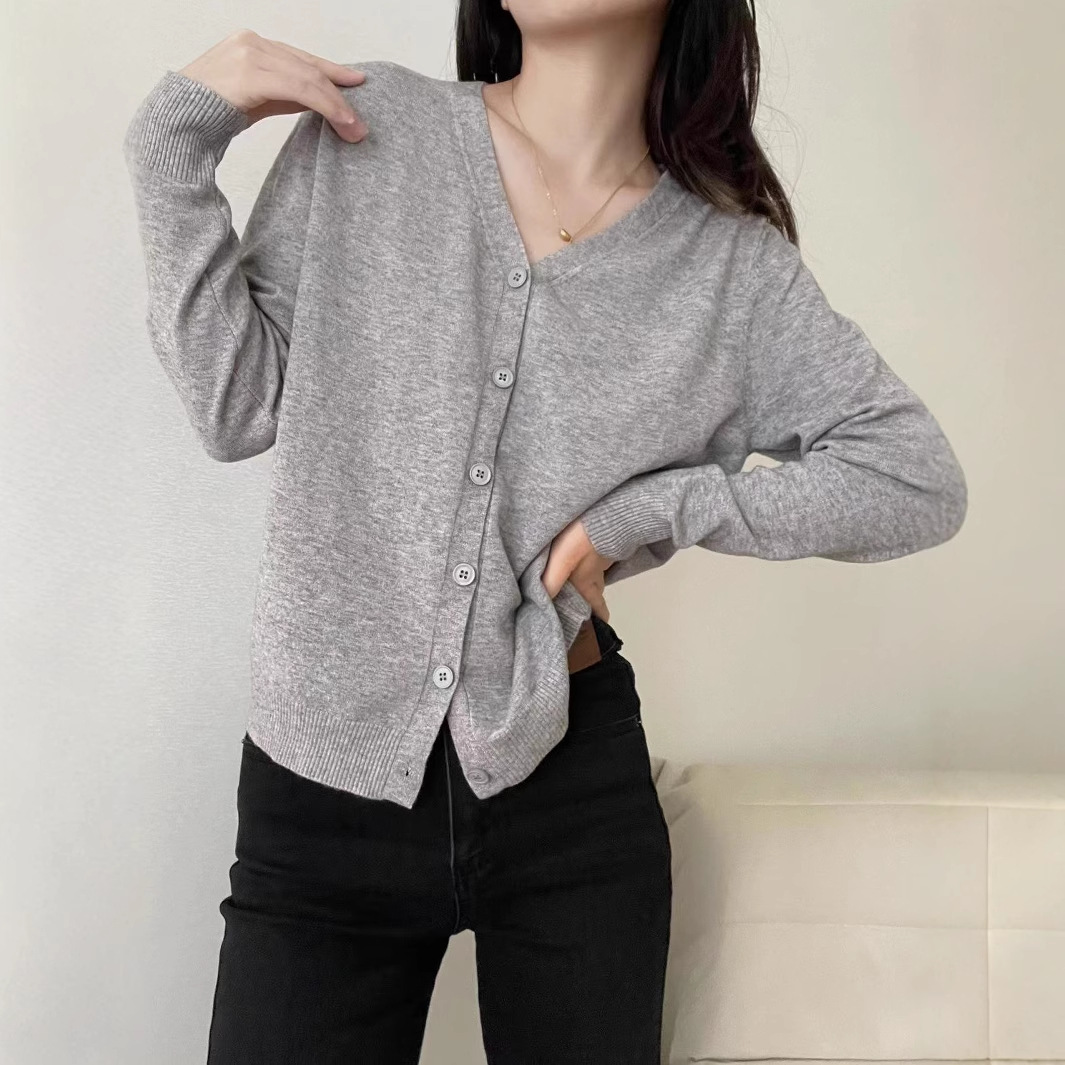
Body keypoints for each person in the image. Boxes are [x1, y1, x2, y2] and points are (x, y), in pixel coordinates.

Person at [121, 1, 968, 1062]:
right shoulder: (369, 132)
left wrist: (655, 508)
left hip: (569, 787)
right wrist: (174, 137)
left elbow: (913, 477)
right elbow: (234, 405)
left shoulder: (729, 268)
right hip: (321, 782)